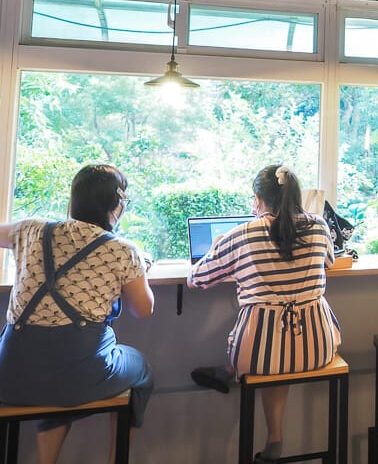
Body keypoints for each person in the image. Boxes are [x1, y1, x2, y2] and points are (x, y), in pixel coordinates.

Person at [0, 164, 155, 464]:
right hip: (78, 373)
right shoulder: (123, 251)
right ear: (117, 204)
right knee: (141, 370)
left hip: (11, 375)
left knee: (54, 373)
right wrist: (140, 270)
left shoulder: (30, 229)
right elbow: (143, 310)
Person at [188, 164, 342, 464]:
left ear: (258, 199)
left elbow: (196, 279)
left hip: (259, 352)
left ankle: (231, 370)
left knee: (270, 350)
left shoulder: (242, 234)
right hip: (319, 346)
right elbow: (329, 263)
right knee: (281, 349)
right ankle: (274, 438)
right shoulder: (320, 227)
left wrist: (217, 249)